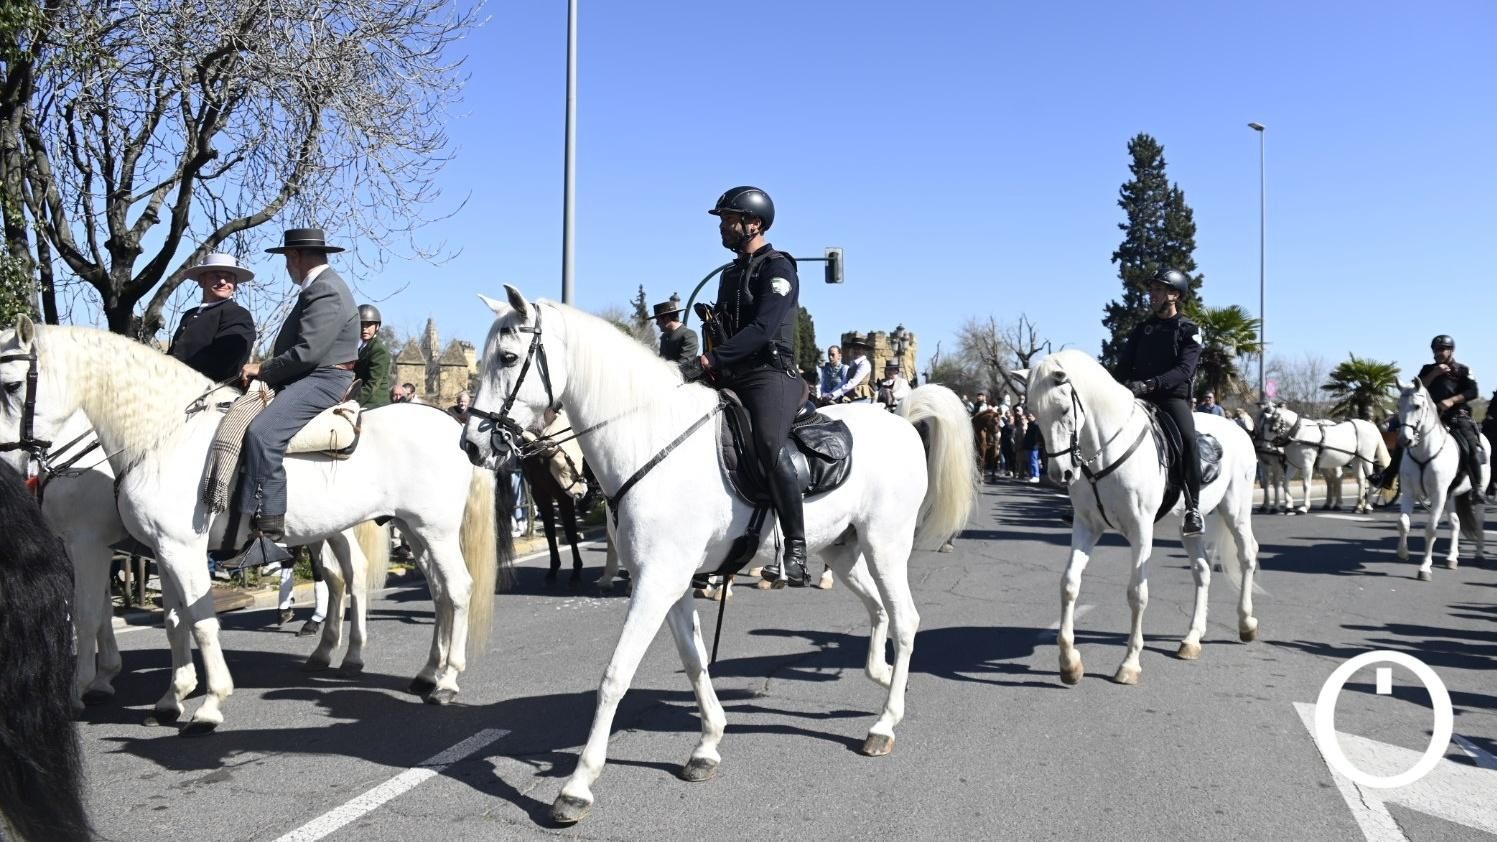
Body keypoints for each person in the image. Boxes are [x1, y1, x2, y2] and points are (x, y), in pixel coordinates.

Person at [679, 185, 811, 587]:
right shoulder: (732, 273)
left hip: (771, 375)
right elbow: (731, 330)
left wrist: (711, 360)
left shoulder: (778, 267)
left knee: (768, 444)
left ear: (753, 223)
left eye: (728, 219)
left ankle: (796, 549)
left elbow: (762, 328)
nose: (722, 226)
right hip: (731, 372)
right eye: (722, 220)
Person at [234, 227, 360, 545]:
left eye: (287, 260)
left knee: (263, 433)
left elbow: (308, 352)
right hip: (312, 375)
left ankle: (268, 524)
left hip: (324, 378)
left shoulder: (325, 289)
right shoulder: (318, 287)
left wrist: (261, 369)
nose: (287, 267)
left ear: (294, 256)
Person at [1117, 266, 1206, 536]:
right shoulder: (1142, 329)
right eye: (1151, 289)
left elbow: (1184, 370)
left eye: (1158, 289)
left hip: (1170, 399)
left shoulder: (1189, 330)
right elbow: (1123, 367)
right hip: (1138, 397)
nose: (1151, 295)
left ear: (1174, 295)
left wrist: (1151, 383)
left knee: (1188, 439)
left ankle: (1193, 507)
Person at [1411, 335, 1484, 504]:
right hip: (1430, 416)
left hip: (1457, 416)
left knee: (1469, 447)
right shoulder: (1427, 369)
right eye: (1435, 350)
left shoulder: (1463, 370)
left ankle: (1477, 488)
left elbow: (1473, 392)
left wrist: (1452, 400)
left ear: (1451, 351)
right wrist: (1434, 373)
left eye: (1442, 349)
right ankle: (1387, 476)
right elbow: (1417, 387)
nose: (1437, 353)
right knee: (1405, 441)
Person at [167, 252, 257, 382]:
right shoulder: (189, 315)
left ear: (235, 285)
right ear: (201, 281)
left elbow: (225, 361)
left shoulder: (238, 314)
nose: (222, 281)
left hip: (211, 393)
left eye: (228, 278)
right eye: (216, 276)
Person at [353, 304, 392, 408]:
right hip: (364, 400)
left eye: (369, 325)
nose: (364, 329)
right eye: (361, 325)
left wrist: (353, 402)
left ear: (377, 326)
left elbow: (373, 384)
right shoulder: (362, 347)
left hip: (374, 403)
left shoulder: (378, 350)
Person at [825, 334, 874, 403]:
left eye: (859, 348)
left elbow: (852, 383)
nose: (856, 350)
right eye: (854, 348)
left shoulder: (864, 364)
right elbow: (844, 382)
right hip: (851, 396)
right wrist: (830, 394)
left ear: (864, 350)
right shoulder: (853, 364)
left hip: (861, 398)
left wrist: (833, 395)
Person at [653, 298, 699, 363]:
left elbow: (684, 364)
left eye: (658, 320)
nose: (657, 323)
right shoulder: (664, 336)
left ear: (667, 318)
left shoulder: (689, 335)